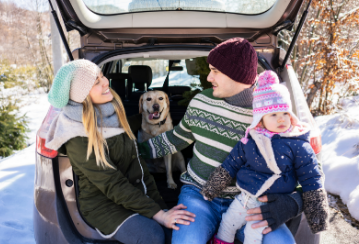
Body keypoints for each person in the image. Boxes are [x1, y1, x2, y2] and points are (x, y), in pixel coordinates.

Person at [138, 38, 307, 244]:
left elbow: (305, 168)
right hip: (198, 195)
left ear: (236, 74)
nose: (209, 77)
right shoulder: (202, 101)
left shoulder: (272, 114)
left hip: (249, 202)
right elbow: (175, 138)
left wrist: (292, 202)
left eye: (215, 70)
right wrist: (131, 151)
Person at [44, 59, 195, 244]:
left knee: (177, 231)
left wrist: (161, 207)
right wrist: (158, 215)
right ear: (81, 95)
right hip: (104, 205)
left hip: (136, 193)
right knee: (152, 236)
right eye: (96, 82)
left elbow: (140, 169)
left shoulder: (116, 115)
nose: (106, 82)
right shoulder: (76, 134)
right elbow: (112, 184)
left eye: (102, 76)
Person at [201, 70, 329, 244]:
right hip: (243, 198)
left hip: (268, 206)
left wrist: (317, 215)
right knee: (226, 225)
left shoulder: (298, 144)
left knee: (253, 236)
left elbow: (311, 177)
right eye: (273, 115)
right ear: (260, 119)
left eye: (285, 113)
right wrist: (212, 187)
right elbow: (230, 164)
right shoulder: (251, 140)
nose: (281, 119)